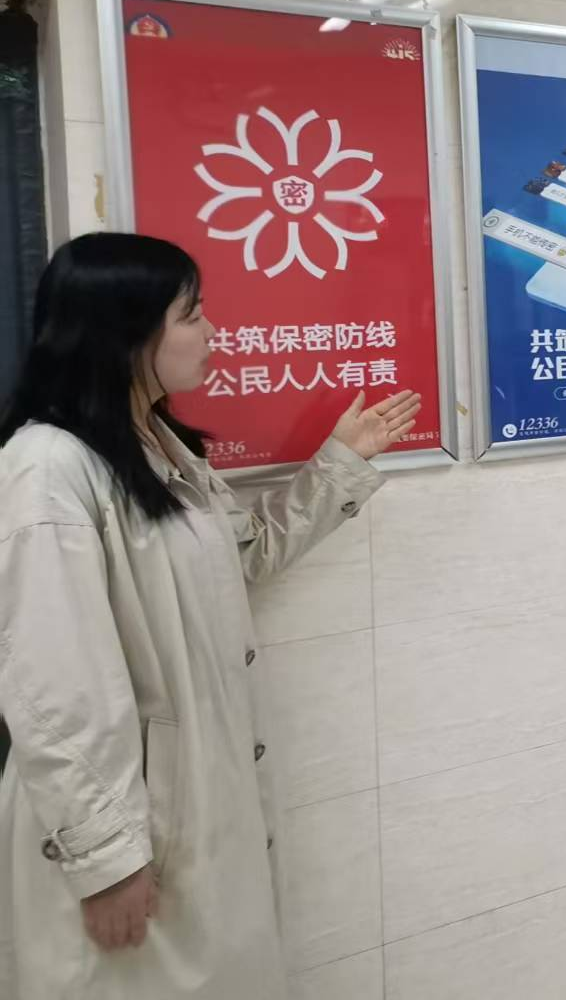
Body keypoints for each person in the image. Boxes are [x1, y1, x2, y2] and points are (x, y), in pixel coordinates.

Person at [0, 233, 421, 1000]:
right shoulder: (48, 467)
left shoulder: (157, 445)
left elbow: (242, 555)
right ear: (127, 331)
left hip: (192, 804)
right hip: (125, 830)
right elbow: (55, 683)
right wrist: (104, 857)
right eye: (192, 314)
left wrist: (340, 460)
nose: (213, 331)